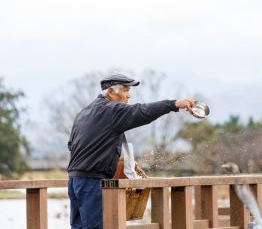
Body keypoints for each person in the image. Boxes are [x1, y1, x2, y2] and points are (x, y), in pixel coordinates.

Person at [67, 72, 194, 229]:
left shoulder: (84, 112)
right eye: (126, 90)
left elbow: (71, 145)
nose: (129, 96)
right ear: (111, 92)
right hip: (92, 182)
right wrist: (173, 104)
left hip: (74, 181)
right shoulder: (112, 110)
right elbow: (143, 112)